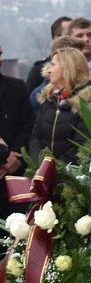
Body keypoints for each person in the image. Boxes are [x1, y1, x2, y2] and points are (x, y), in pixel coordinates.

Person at [29, 45, 91, 163]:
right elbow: (35, 136)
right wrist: (41, 163)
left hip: (71, 176)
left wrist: (56, 168)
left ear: (67, 67)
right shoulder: (49, 98)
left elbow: (83, 145)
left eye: (53, 65)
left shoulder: (87, 102)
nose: (48, 70)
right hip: (43, 172)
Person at [0, 44, 34, 219]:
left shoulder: (16, 87)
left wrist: (15, 154)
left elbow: (29, 124)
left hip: (14, 176)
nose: (1, 60)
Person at [24, 16, 72, 95]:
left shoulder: (85, 67)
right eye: (69, 35)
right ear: (57, 39)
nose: (74, 39)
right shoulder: (38, 72)